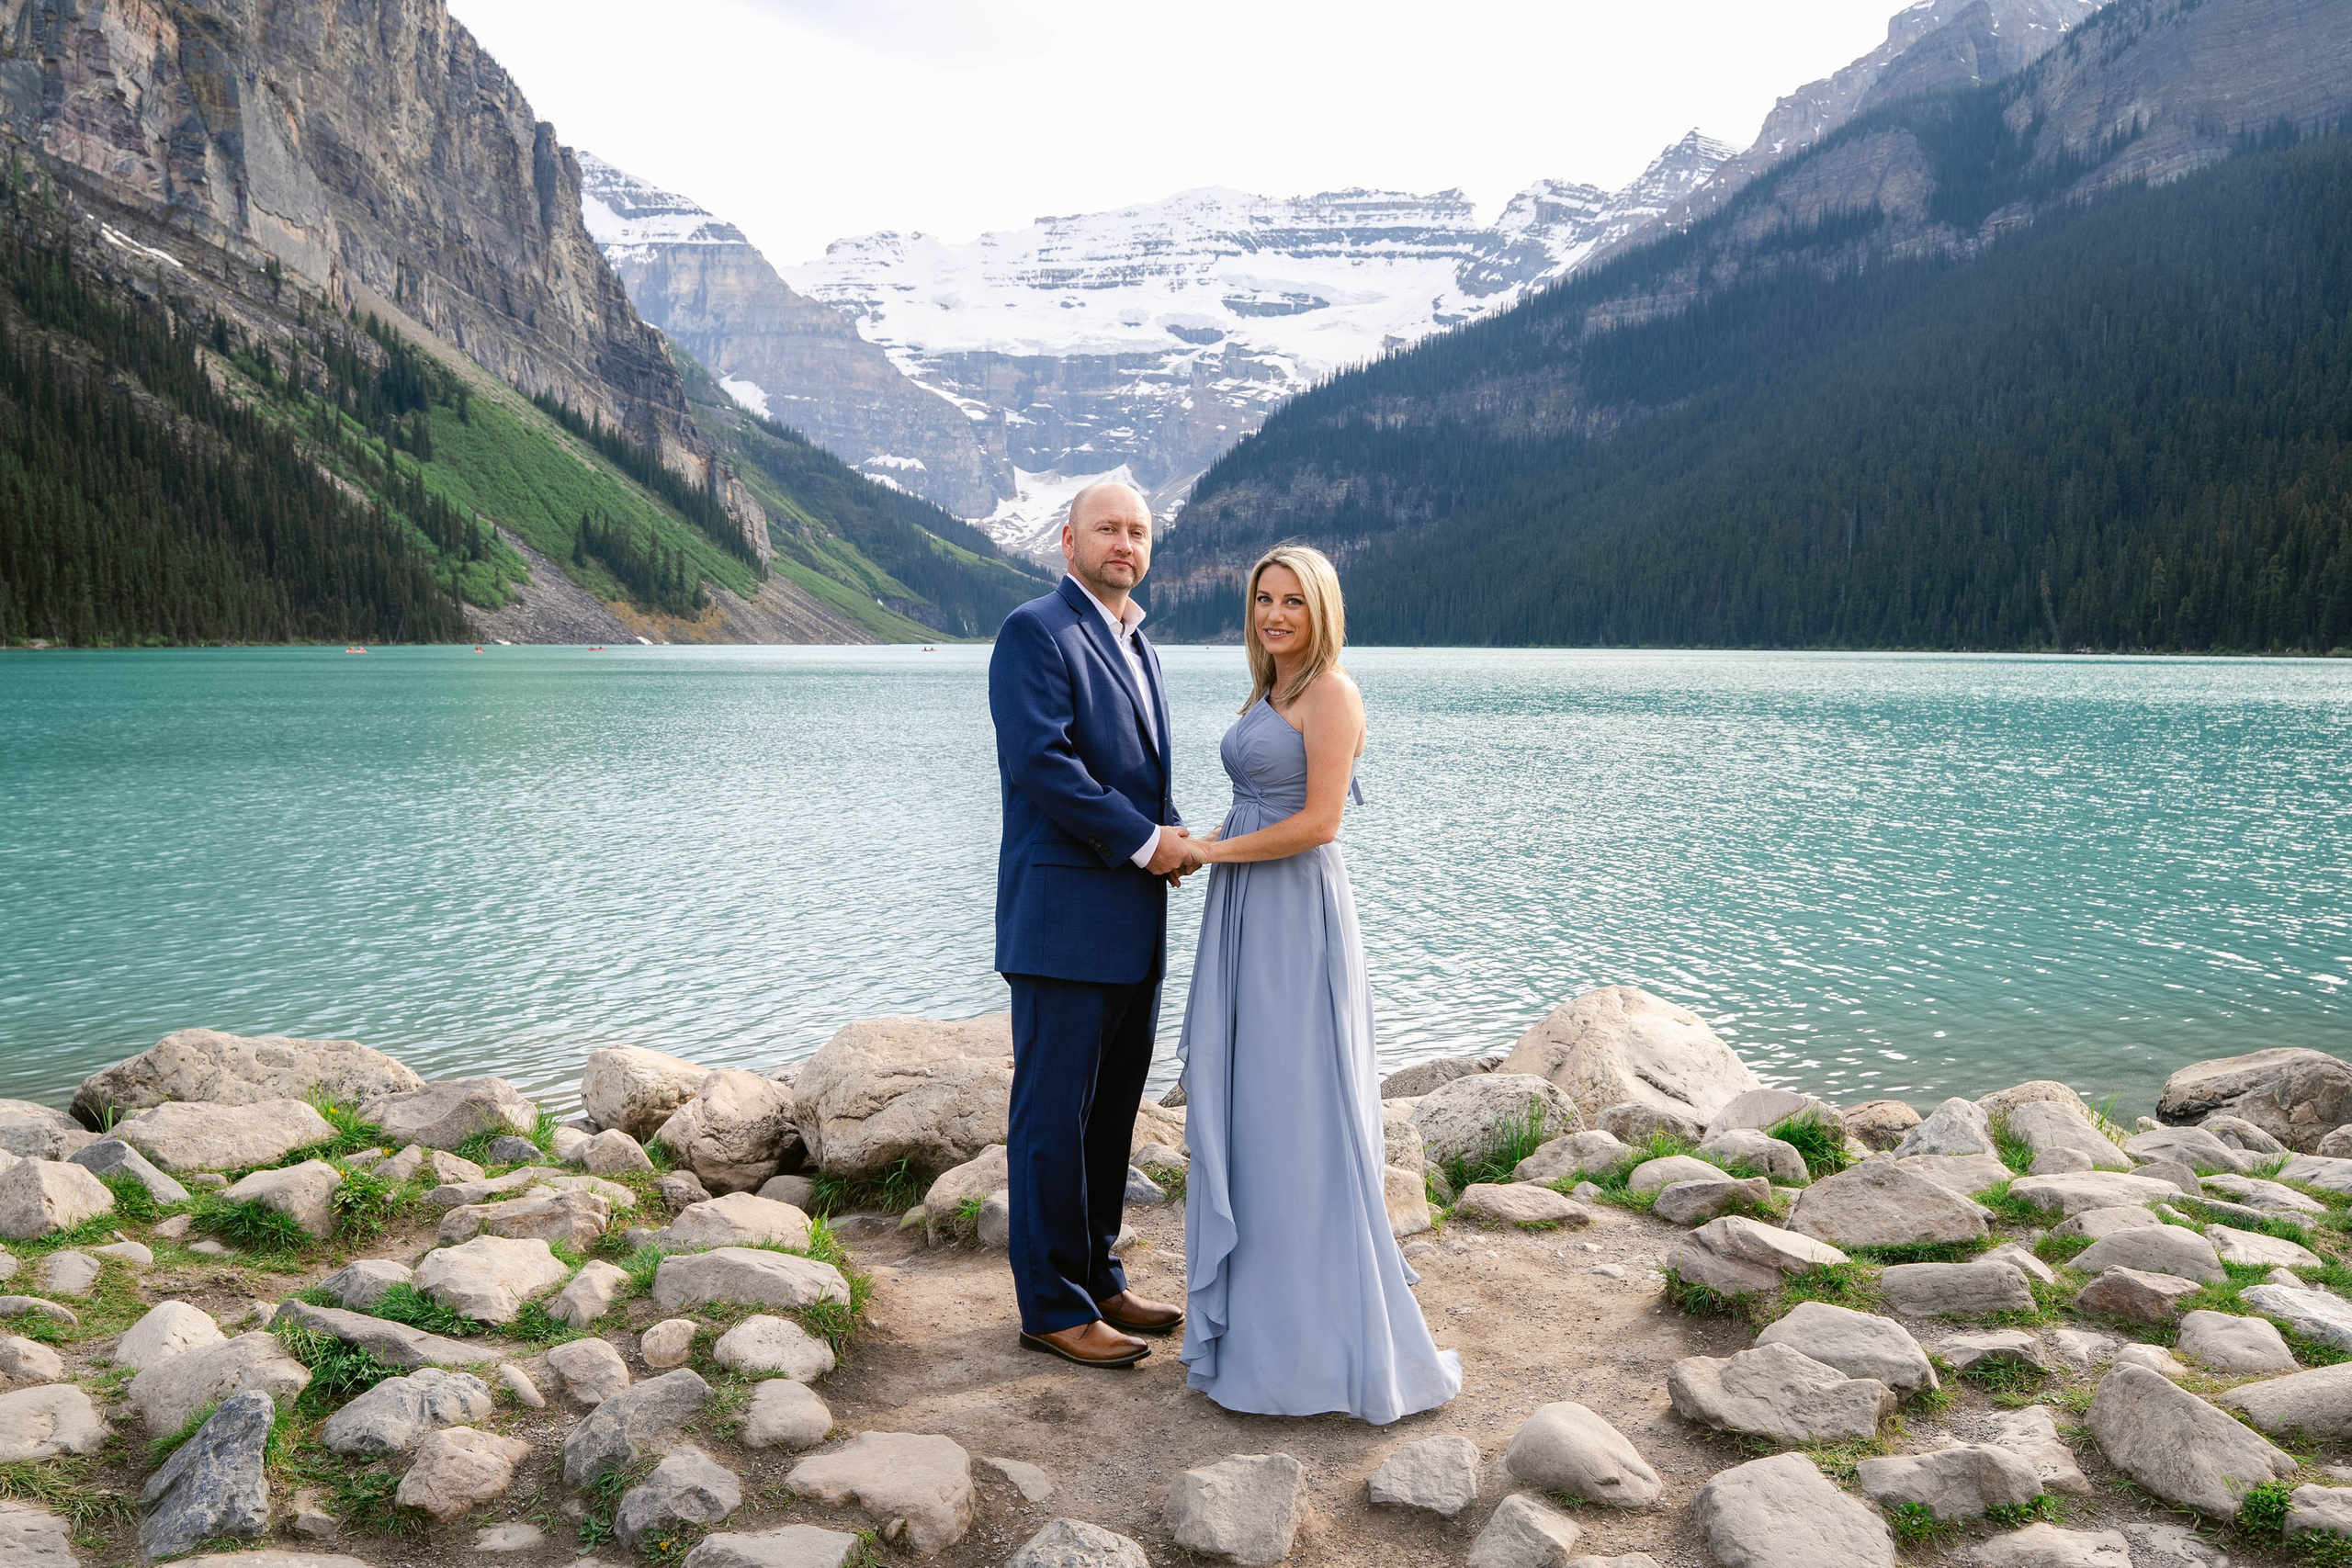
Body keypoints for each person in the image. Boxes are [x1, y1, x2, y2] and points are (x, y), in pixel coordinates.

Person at [1176, 545, 1462, 1423]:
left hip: (1295, 918)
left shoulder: (1332, 691)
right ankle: (1255, 1328)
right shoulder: (1270, 690)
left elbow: (1320, 821)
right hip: (1243, 911)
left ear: (1322, 610)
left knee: (1296, 1109)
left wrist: (1214, 850)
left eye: (1293, 601)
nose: (1274, 614)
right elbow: (1261, 801)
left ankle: (1316, 1345)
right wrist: (1202, 842)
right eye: (1264, 598)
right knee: (1250, 1106)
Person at [987, 479, 1202, 1369]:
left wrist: (1173, 833)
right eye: (1107, 529)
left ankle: (1100, 1277)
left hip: (1130, 925)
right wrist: (1146, 842)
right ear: (1066, 540)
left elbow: (1135, 777)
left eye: (1138, 531)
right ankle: (1052, 1308)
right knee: (1051, 1121)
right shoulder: (1035, 633)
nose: (1124, 543)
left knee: (1110, 1116)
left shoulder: (1136, 640)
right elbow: (1045, 765)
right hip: (1063, 926)